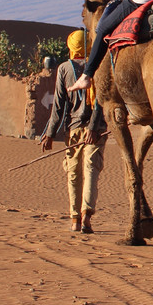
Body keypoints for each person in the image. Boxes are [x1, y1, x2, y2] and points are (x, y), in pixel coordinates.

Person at [40, 30, 107, 233]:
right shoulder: (98, 66)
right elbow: (101, 100)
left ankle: (75, 219)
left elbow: (58, 107)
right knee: (91, 170)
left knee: (73, 174)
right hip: (96, 131)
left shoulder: (63, 69)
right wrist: (94, 127)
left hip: (73, 130)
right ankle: (87, 213)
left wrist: (50, 133)